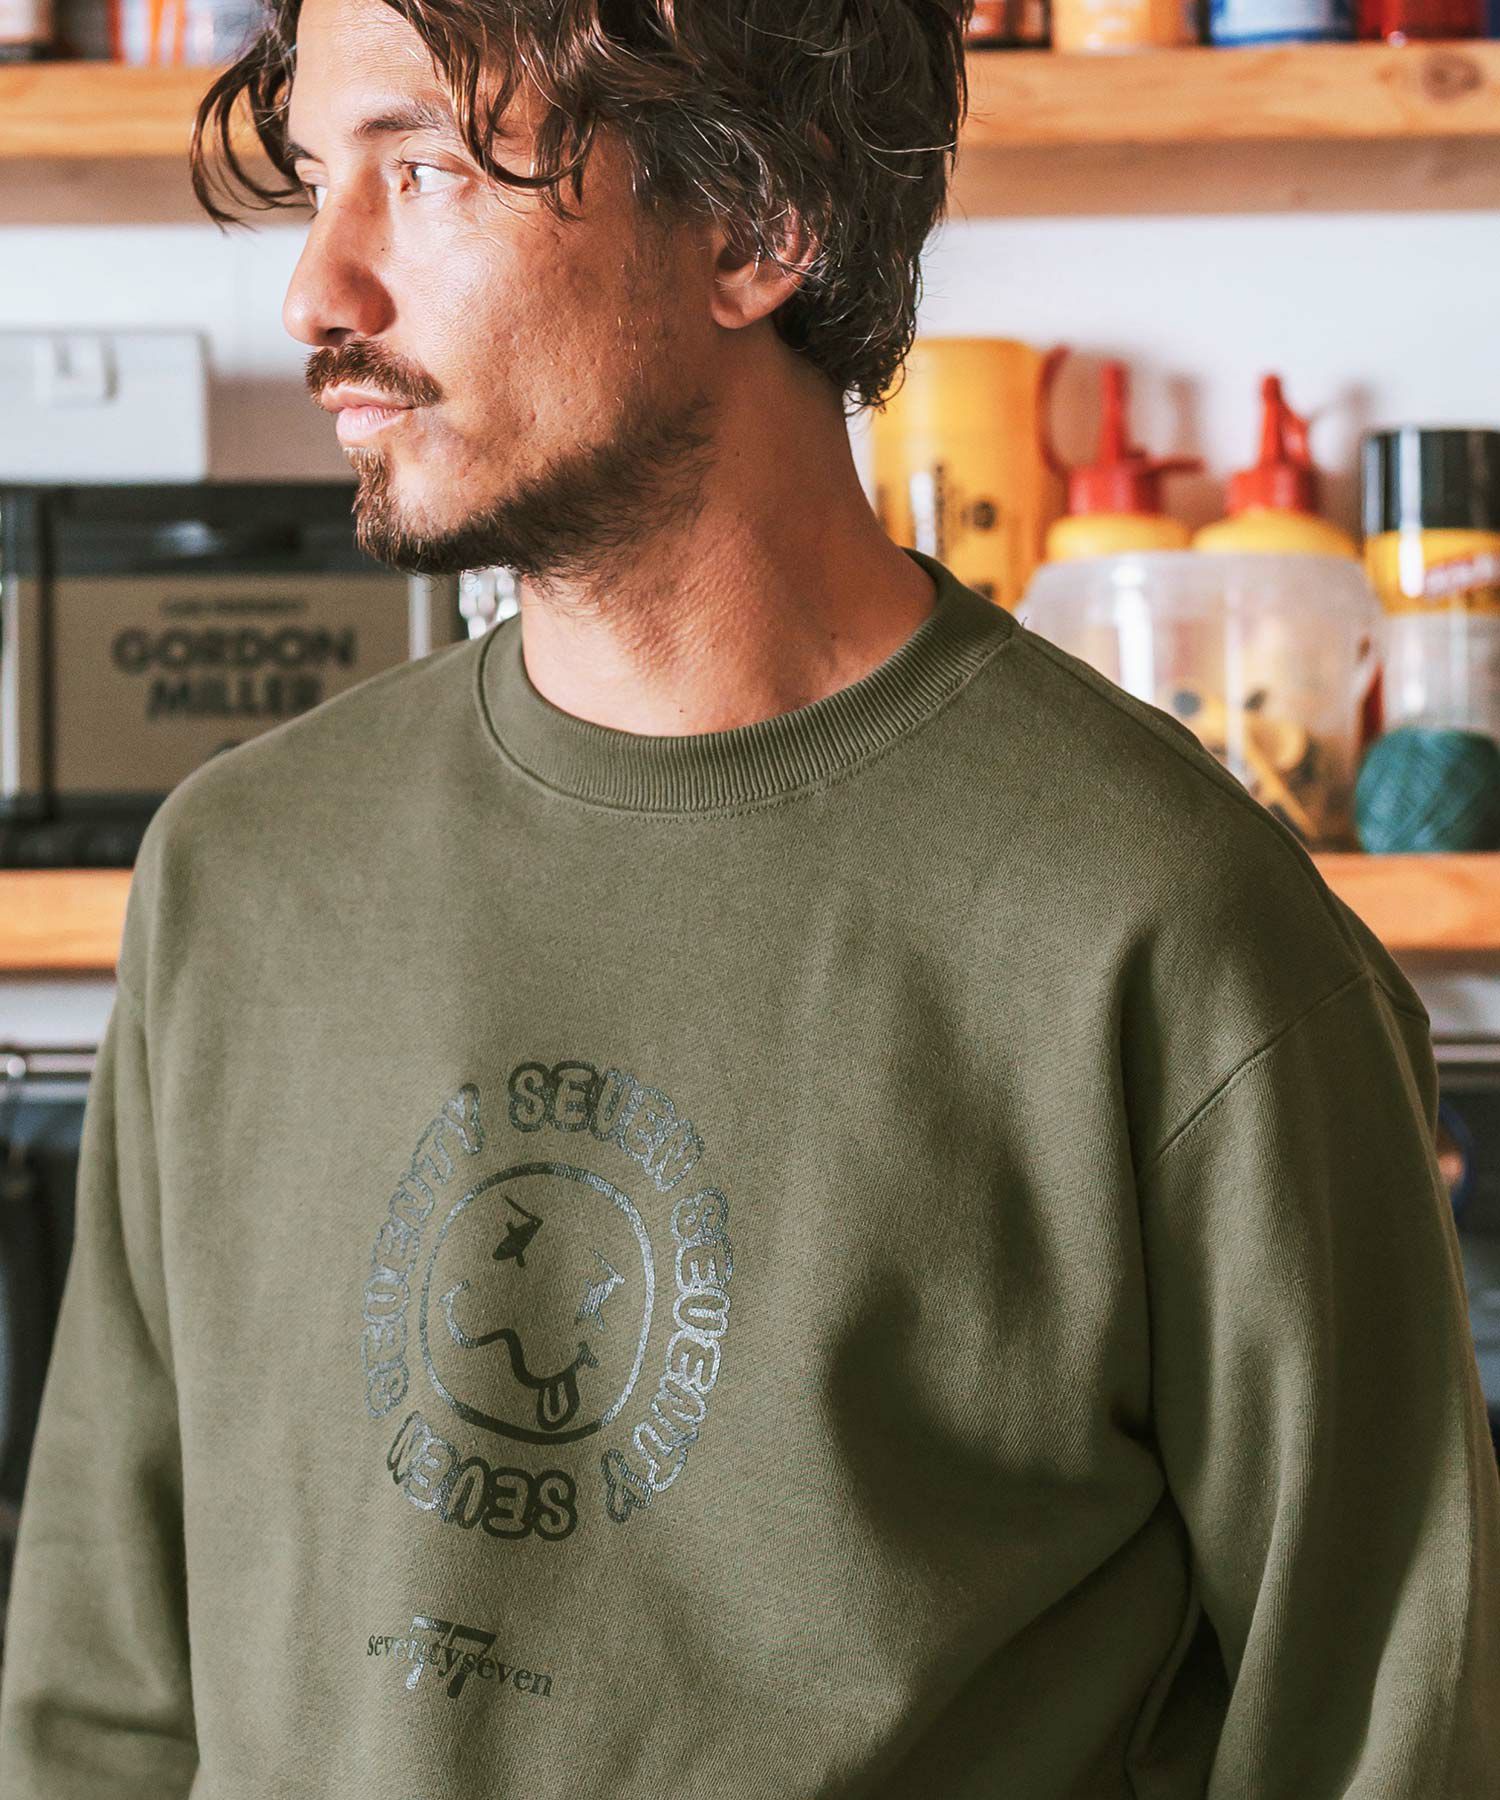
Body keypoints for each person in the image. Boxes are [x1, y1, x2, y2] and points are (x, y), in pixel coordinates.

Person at [2, 0, 1497, 1791]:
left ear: (755, 224)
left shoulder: (1169, 932)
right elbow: (100, 1708)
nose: (319, 291)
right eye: (319, 182)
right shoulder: (237, 878)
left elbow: (1389, 1736)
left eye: (428, 170)